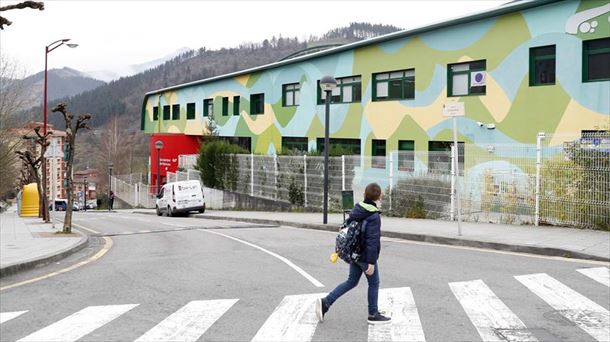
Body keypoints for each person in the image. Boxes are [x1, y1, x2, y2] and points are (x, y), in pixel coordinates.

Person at [316, 183, 391, 324]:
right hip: (364, 255)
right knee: (374, 283)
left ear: (364, 194)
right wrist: (371, 262)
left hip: (354, 252)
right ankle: (373, 313)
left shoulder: (358, 208)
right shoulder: (373, 216)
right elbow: (372, 241)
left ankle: (325, 302)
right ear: (379, 197)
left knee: (351, 282)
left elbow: (346, 224)